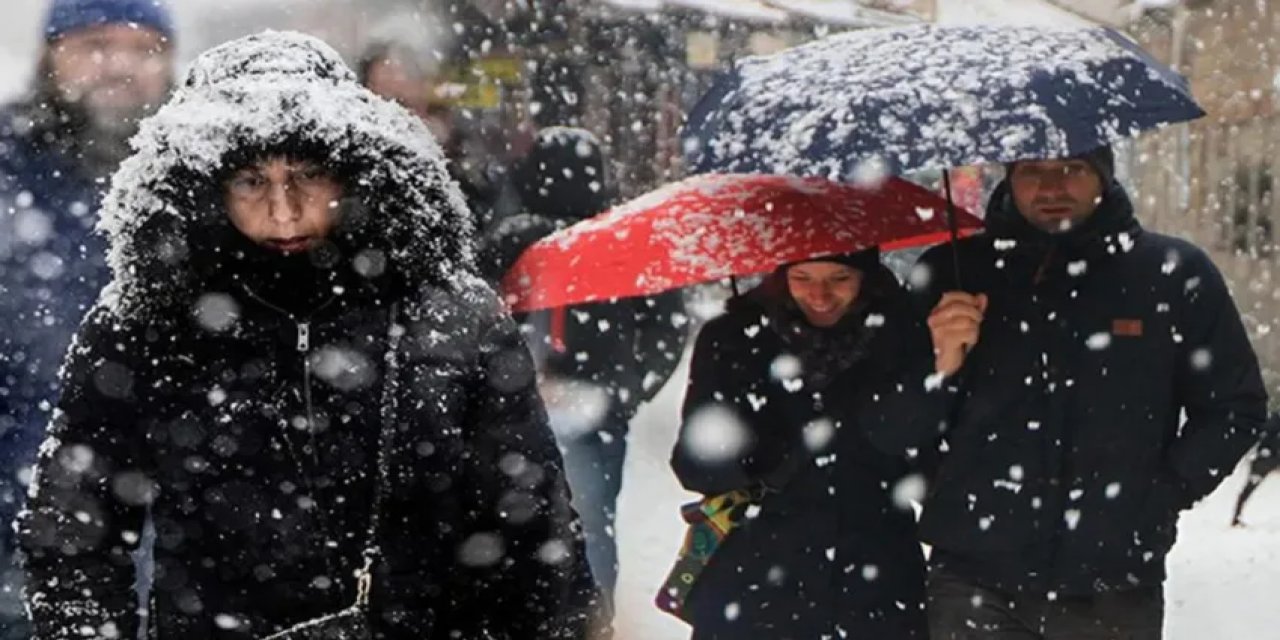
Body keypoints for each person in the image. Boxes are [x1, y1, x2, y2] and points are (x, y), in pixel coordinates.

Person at [18, 31, 601, 639]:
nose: (284, 210)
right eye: (249, 181)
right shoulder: (144, 327)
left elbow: (537, 543)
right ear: (202, 189)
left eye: (309, 174)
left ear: (357, 172)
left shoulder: (451, 316)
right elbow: (73, 539)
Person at [871, 146, 1268, 639]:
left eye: (1072, 169)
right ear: (1008, 177)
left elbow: (1234, 407)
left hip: (1111, 584)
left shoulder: (1171, 273)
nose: (1052, 186)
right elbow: (890, 430)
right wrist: (938, 367)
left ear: (1104, 174)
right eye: (1032, 171)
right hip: (973, 578)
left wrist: (1160, 496)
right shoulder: (951, 273)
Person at [0, 0, 175, 633]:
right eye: (95, 44)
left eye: (144, 48)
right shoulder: (8, 173)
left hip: (193, 549)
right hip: (21, 540)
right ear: (52, 56)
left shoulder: (217, 182)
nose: (120, 65)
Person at [478, 126, 688, 612]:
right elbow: (667, 327)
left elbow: (473, 318)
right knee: (591, 524)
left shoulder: (513, 241)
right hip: (592, 406)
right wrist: (628, 388)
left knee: (520, 525)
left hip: (526, 407)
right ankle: (592, 618)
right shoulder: (621, 242)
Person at [670, 248, 930, 639]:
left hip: (874, 582)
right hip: (754, 580)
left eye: (839, 278)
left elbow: (923, 455)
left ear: (867, 279)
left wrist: (942, 360)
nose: (820, 295)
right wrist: (747, 446)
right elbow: (694, 466)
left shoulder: (904, 338)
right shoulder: (733, 339)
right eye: (802, 278)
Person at [1230, 414, 1280, 527]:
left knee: (1250, 487)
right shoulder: (1276, 420)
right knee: (1250, 486)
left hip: (1269, 456)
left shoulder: (1274, 420)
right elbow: (1265, 434)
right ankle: (1236, 516)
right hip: (1267, 457)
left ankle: (1236, 516)